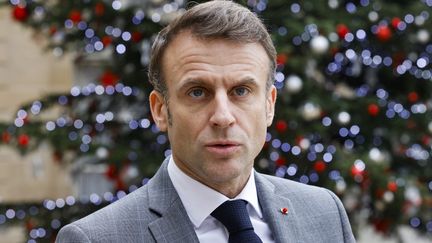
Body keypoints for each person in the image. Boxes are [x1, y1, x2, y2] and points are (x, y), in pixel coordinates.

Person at [56, 1, 356, 242]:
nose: (223, 117)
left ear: (269, 105)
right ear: (160, 110)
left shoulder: (324, 213)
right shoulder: (95, 238)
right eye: (197, 92)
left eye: (241, 91)